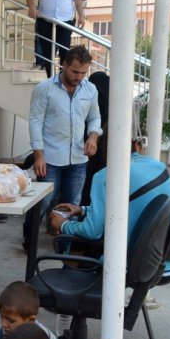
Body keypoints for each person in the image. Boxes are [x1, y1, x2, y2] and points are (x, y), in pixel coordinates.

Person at [50, 136, 170, 273]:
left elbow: (92, 231)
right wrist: (82, 210)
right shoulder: (159, 167)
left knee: (78, 238)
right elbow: (135, 208)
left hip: (131, 264)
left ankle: (69, 284)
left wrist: (63, 224)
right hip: (168, 261)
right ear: (138, 145)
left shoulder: (106, 175)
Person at [23, 45, 102, 250]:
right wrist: (38, 155)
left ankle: (64, 246)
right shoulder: (44, 89)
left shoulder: (90, 89)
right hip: (50, 158)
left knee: (71, 205)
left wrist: (93, 137)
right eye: (75, 71)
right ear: (64, 64)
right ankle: (29, 240)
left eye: (83, 72)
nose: (79, 77)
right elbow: (35, 122)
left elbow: (95, 118)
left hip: (78, 159)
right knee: (43, 203)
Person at [26, 0, 86, 77]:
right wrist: (31, 6)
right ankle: (51, 79)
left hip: (65, 22)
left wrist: (82, 15)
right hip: (45, 20)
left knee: (65, 52)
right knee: (47, 53)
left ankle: (63, 80)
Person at [81, 71, 110, 206]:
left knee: (87, 181)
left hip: (87, 147)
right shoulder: (112, 101)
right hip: (104, 148)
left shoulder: (90, 96)